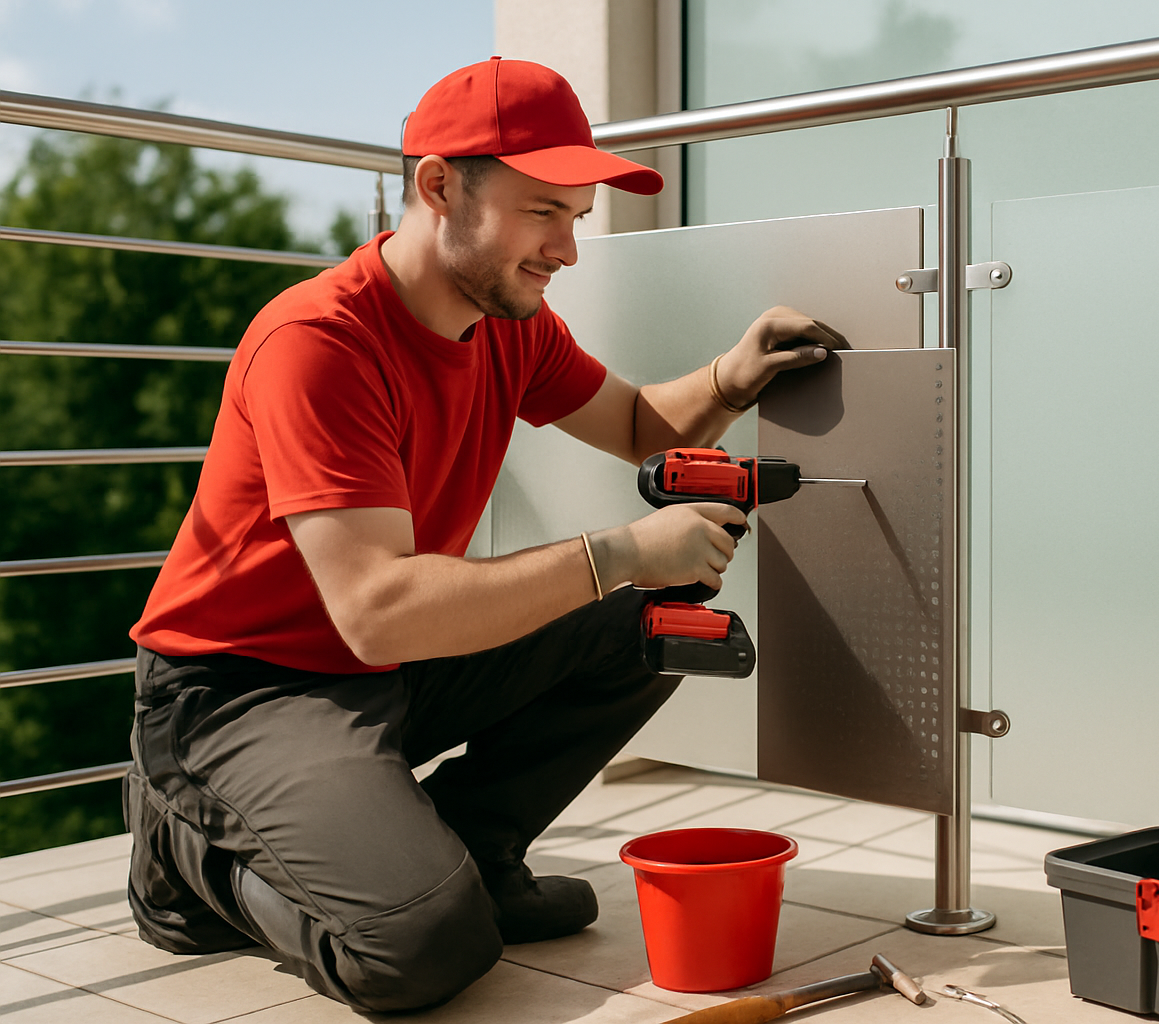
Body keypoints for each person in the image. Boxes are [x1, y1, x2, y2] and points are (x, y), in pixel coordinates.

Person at [122, 57, 844, 1012]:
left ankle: (476, 850)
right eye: (542, 211)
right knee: (421, 948)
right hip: (242, 690)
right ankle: (183, 854)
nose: (568, 251)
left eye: (576, 219)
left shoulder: (508, 323)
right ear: (437, 185)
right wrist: (616, 552)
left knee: (659, 624)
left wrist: (730, 375)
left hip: (381, 667)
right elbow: (378, 611)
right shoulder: (318, 346)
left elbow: (636, 426)